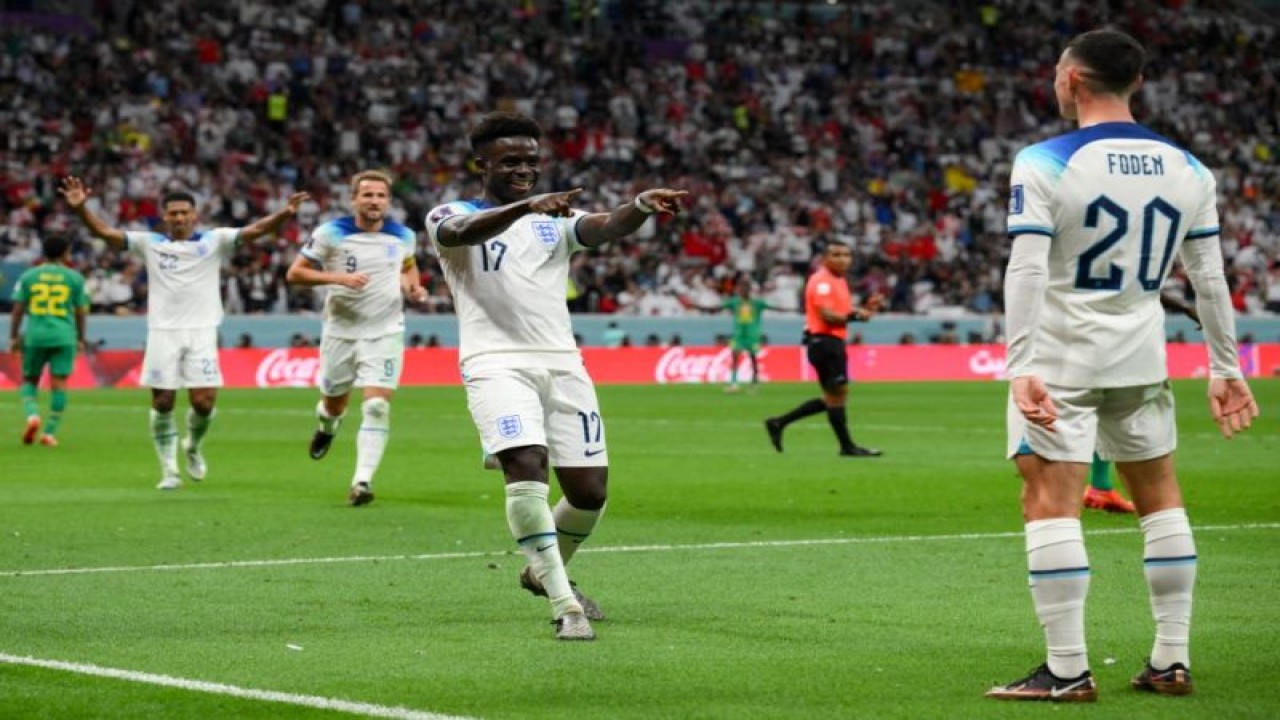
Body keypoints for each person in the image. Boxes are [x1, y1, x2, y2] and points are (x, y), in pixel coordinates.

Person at [987, 29, 1259, 703]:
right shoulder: (1190, 169)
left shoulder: (1044, 160)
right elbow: (1209, 276)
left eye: (1056, 73)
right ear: (1134, 83)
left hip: (1060, 355)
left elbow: (1025, 266)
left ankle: (1067, 668)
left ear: (1074, 80)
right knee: (1160, 496)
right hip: (1141, 353)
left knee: (1049, 502)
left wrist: (1019, 362)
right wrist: (1224, 364)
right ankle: (1171, 659)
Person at [425, 111, 686, 641]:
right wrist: (524, 206)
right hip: (495, 362)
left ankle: (538, 570)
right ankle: (565, 603)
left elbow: (604, 226)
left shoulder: (554, 221)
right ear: (482, 164)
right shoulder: (447, 214)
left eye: (531, 161)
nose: (525, 169)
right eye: (511, 161)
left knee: (590, 492)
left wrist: (639, 206)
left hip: (563, 364)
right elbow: (463, 231)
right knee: (528, 467)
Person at [59, 177, 309, 489]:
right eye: (173, 213)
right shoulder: (149, 243)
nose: (178, 218)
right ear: (164, 216)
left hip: (202, 332)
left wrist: (285, 213)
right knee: (163, 402)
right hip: (163, 332)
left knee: (204, 403)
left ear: (194, 215)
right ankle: (169, 471)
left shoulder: (214, 240)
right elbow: (104, 233)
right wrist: (81, 208)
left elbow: (255, 231)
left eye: (184, 213)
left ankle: (192, 445)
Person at [285, 170, 425, 507]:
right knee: (334, 404)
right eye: (367, 195)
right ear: (354, 199)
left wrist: (413, 286)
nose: (374, 201)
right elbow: (295, 273)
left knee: (376, 406)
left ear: (388, 201)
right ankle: (327, 429)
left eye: (380, 195)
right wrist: (339, 278)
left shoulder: (403, 235)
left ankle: (361, 481)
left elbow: (407, 265)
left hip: (386, 331)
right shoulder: (330, 233)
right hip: (341, 332)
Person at [1084, 291, 1202, 514]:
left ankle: (1099, 487)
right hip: (1103, 338)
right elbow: (1137, 281)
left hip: (1096, 337)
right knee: (1101, 408)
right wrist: (1184, 307)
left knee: (1099, 407)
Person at [763, 241, 883, 457]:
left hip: (828, 342)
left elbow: (842, 311)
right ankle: (846, 447)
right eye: (836, 255)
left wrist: (866, 309)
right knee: (837, 395)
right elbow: (827, 314)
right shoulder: (822, 282)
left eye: (846, 255)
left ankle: (779, 422)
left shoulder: (838, 281)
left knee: (834, 396)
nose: (842, 259)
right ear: (825, 258)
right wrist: (857, 315)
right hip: (826, 342)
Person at [7, 236, 90, 447]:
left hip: (36, 336)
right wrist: (81, 338)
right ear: (65, 253)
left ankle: (33, 416)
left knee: (29, 380)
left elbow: (17, 309)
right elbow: (81, 311)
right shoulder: (74, 278)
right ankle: (49, 433)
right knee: (59, 383)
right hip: (64, 335)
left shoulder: (29, 276)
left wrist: (14, 336)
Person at [699, 278, 780, 393]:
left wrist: (794, 309)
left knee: (753, 359)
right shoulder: (734, 302)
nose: (742, 290)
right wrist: (696, 306)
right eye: (740, 288)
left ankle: (754, 383)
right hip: (739, 335)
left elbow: (774, 308)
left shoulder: (757, 303)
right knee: (735, 357)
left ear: (749, 290)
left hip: (752, 335)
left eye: (744, 288)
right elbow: (716, 308)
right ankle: (734, 383)